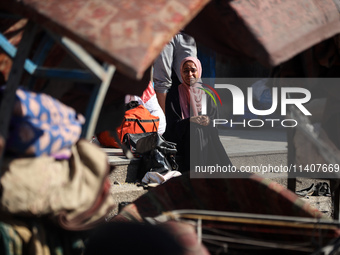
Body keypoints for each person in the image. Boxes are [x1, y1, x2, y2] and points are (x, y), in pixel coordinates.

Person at [163, 56, 232, 171]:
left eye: (193, 70)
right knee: (194, 128)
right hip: (179, 139)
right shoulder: (174, 94)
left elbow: (215, 122)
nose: (189, 74)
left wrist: (208, 120)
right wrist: (190, 120)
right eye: (185, 71)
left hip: (202, 136)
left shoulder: (208, 93)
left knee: (200, 130)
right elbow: (172, 126)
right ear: (181, 72)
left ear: (198, 71)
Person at [153, 31, 197, 114]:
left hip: (186, 31)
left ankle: (197, 120)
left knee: (192, 78)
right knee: (162, 80)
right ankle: (163, 122)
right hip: (163, 30)